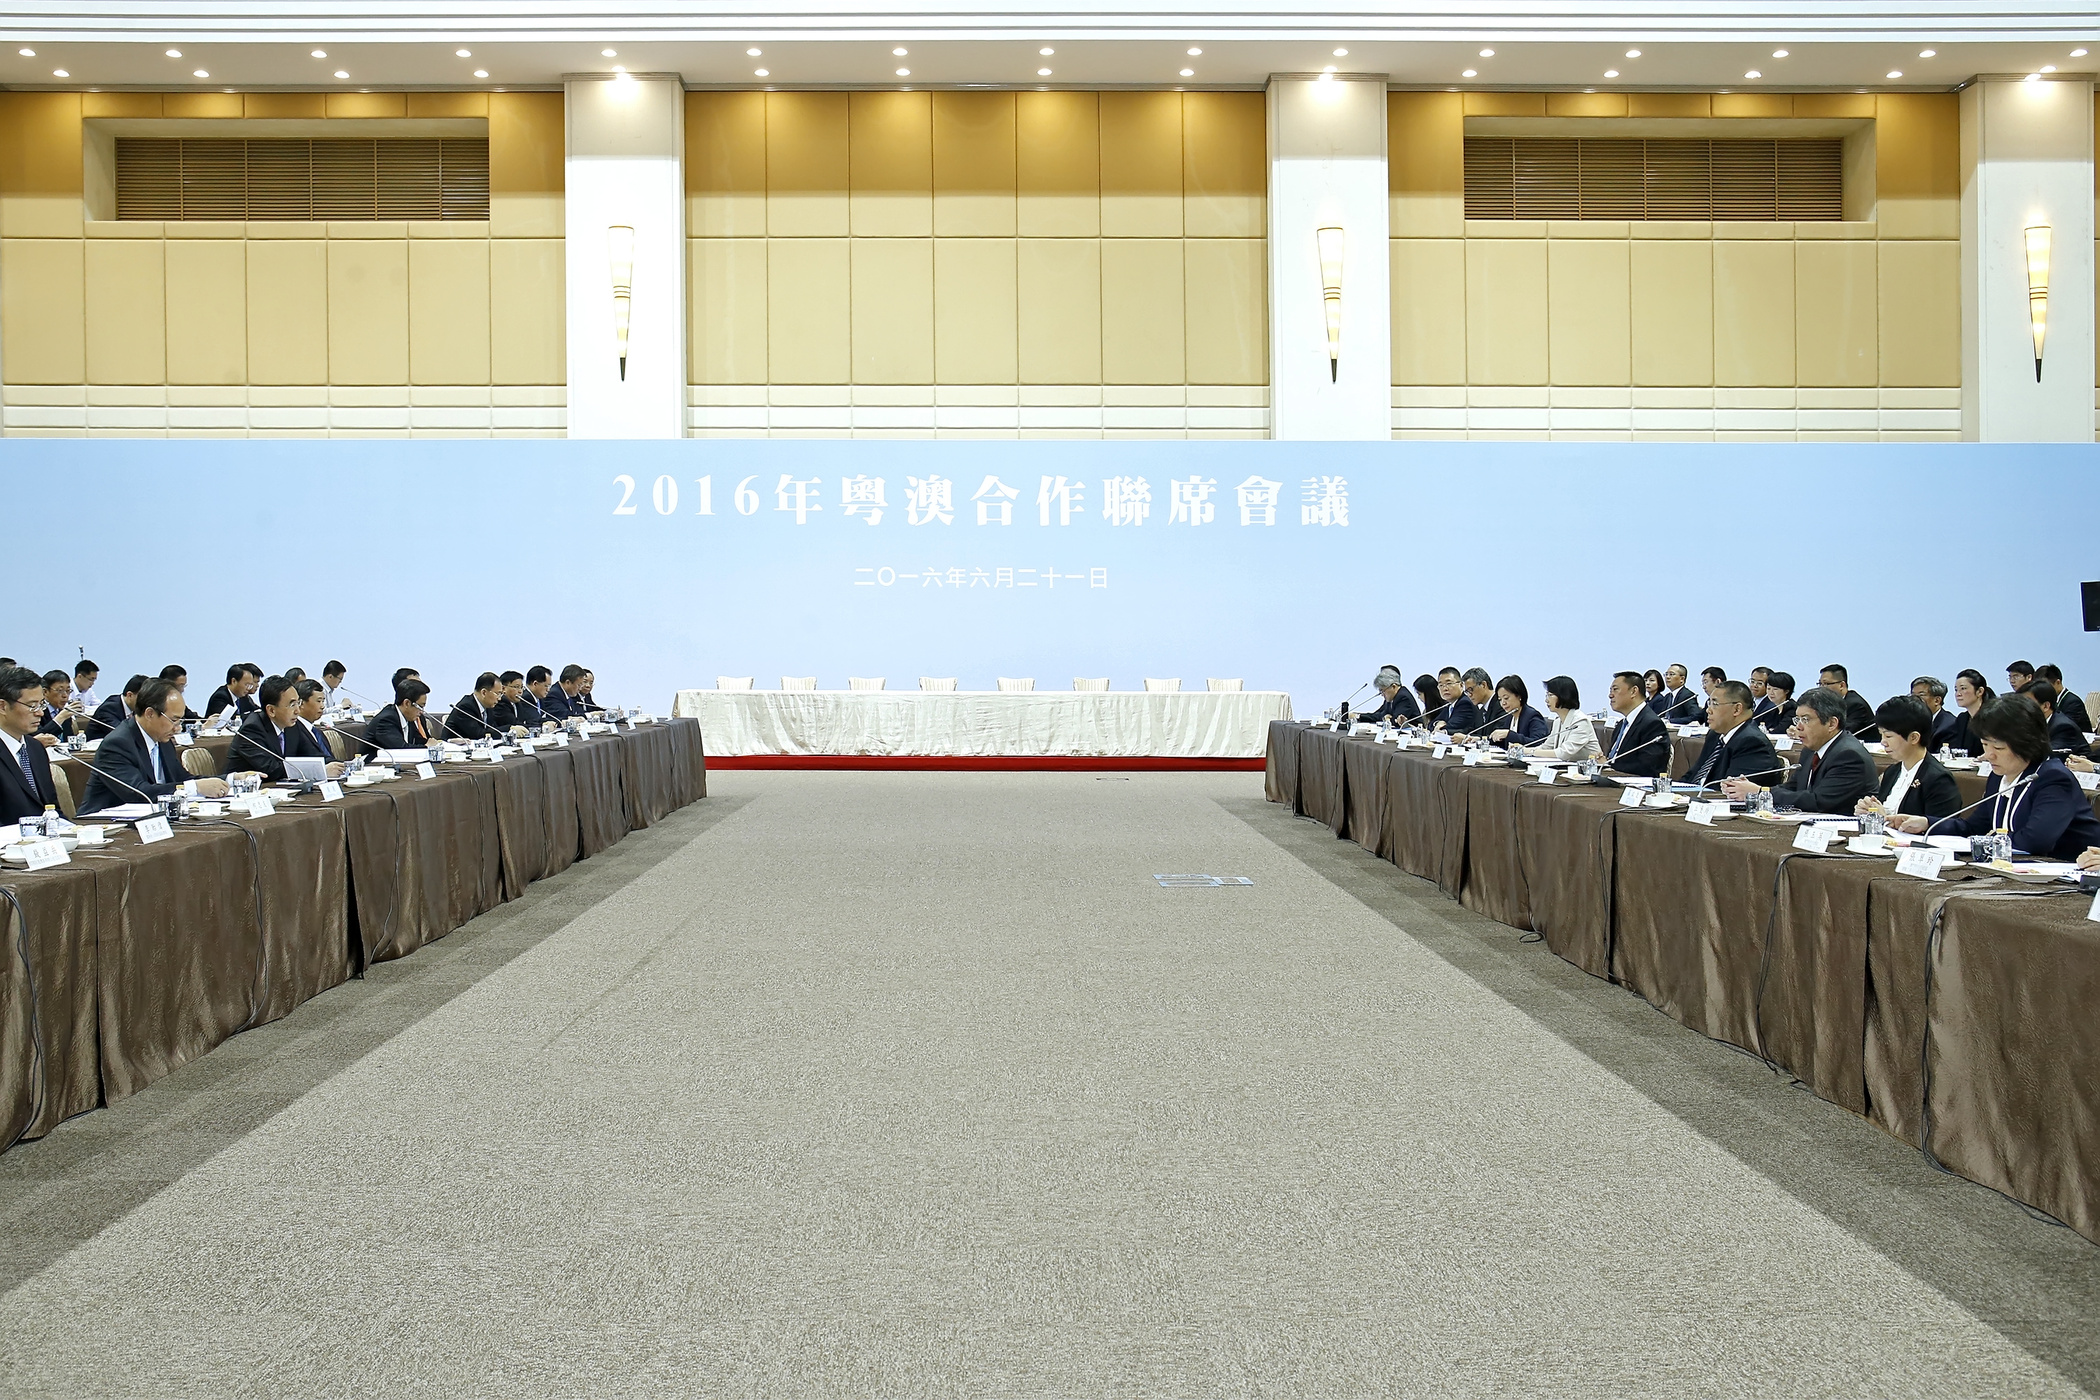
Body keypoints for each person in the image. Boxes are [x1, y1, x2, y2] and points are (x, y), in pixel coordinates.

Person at [1893, 696, 2100, 860]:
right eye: (1985, 745)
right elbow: (1974, 827)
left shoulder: (2052, 778)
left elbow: (2035, 841)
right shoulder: (1999, 775)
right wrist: (1926, 823)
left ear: (2027, 743)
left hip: (2068, 875)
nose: (1989, 755)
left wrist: (1986, 839)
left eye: (1998, 748)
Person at [80, 678, 229, 812]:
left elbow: (181, 778)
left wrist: (229, 779)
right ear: (150, 714)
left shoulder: (162, 739)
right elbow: (139, 793)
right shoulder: (118, 744)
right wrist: (195, 787)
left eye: (180, 721)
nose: (177, 728)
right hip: (102, 824)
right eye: (174, 720)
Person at [1724, 686, 1874, 813]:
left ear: (1831, 724)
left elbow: (1818, 801)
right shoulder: (1810, 749)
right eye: (1798, 719)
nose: (1798, 727)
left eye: (1806, 720)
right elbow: (1793, 787)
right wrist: (1750, 790)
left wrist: (1759, 792)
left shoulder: (1849, 755)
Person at [1858, 694, 1961, 823]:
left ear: (1914, 738)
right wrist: (1869, 810)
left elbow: (1940, 828)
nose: (1883, 742)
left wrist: (1882, 819)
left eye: (1888, 736)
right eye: (1881, 735)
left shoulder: (1938, 779)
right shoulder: (1892, 772)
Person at [1682, 680, 1779, 788]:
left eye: (1715, 704)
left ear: (1737, 709)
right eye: (1709, 703)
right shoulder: (1714, 735)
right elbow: (1693, 774)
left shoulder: (1752, 743)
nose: (1708, 710)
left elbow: (1728, 789)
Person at [0, 666, 60, 824]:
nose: (40, 713)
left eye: (42, 705)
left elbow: (52, 808)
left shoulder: (35, 748)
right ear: (3, 707)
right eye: (32, 706)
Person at [222, 675, 307, 784]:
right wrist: (311, 770)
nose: (297, 711)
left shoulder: (291, 725)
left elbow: (311, 753)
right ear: (271, 710)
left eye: (298, 703)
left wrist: (326, 767)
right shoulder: (252, 729)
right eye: (292, 705)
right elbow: (271, 770)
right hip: (245, 790)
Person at [1514, 675, 1599, 762]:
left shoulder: (1581, 722)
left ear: (1564, 695)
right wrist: (1523, 749)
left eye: (1550, 695)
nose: (1546, 700)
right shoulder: (1558, 721)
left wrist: (1528, 751)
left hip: (1590, 769)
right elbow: (1546, 747)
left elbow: (1563, 753)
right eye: (1546, 695)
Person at [1602, 670, 1669, 779]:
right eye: (1610, 690)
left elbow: (1648, 767)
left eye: (1615, 689)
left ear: (1633, 691)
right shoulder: (1621, 724)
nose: (1610, 695)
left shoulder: (1652, 724)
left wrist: (1608, 766)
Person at [288, 679, 345, 774]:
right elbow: (314, 758)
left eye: (323, 701)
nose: (322, 706)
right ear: (301, 703)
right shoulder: (293, 730)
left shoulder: (317, 732)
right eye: (318, 701)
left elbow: (328, 758)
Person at [2020, 681, 2088, 758]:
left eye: (2027, 703)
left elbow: (2049, 757)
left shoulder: (2063, 727)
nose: (2022, 707)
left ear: (2045, 706)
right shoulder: (2032, 722)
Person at [366, 677, 435, 752]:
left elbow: (420, 741)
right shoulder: (386, 720)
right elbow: (400, 748)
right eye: (420, 707)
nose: (422, 712)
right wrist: (427, 747)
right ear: (407, 703)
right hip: (373, 759)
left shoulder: (408, 717)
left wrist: (436, 745)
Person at [1816, 663, 1877, 741]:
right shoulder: (1830, 704)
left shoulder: (1856, 705)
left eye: (1826, 684)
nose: (1821, 689)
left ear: (1841, 685)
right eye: (1820, 684)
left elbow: (1840, 733)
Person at [1485, 675, 1549, 748]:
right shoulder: (1509, 717)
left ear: (1519, 696)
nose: (1503, 703)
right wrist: (1483, 740)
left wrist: (1509, 734)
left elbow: (1538, 743)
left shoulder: (1532, 715)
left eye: (1506, 698)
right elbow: (1503, 743)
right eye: (1500, 699)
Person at [444, 672, 506, 741]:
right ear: (484, 693)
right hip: (452, 747)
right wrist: (509, 729)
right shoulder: (465, 707)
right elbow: (478, 735)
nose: (499, 698)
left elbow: (492, 729)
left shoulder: (488, 707)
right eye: (498, 694)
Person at [1944, 669, 1992, 757]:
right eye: (1956, 690)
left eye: (1963, 688)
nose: (1958, 694)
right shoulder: (1962, 719)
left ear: (1980, 691)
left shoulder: (1992, 717)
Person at [1354, 666, 1421, 727]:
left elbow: (1396, 721)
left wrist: (1388, 718)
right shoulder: (1391, 698)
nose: (1382, 694)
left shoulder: (1403, 697)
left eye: (1383, 691)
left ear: (1393, 686)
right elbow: (1378, 715)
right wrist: (1358, 716)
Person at [86, 673, 145, 740]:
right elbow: (122, 733)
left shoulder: (135, 710)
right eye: (143, 698)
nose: (146, 702)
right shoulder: (109, 708)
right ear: (130, 695)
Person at [2036, 664, 2091, 732]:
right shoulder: (2046, 700)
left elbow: (2064, 728)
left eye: (2045, 686)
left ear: (2058, 682)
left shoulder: (2073, 702)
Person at [34, 669, 84, 743]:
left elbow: (68, 739)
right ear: (45, 692)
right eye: (60, 690)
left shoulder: (65, 713)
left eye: (68, 691)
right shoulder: (37, 711)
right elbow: (37, 738)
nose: (65, 695)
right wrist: (60, 717)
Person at [1910, 675, 1959, 749]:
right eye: (1913, 695)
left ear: (1937, 700)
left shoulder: (1949, 725)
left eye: (1921, 695)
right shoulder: (1910, 722)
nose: (1914, 699)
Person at [1453, 667, 1499, 736]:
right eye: (1467, 692)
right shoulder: (1481, 710)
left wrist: (1468, 738)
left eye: (1470, 690)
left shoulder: (1501, 705)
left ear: (1483, 685)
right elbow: (1471, 731)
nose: (1469, 695)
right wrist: (1446, 732)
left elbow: (1497, 736)